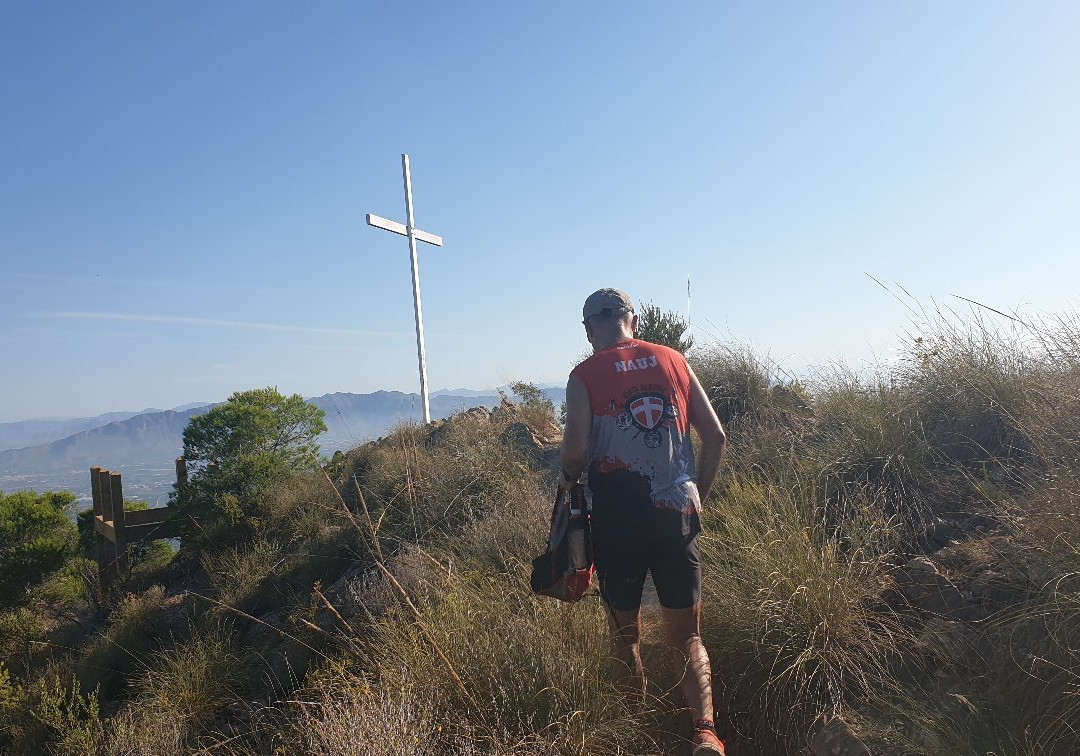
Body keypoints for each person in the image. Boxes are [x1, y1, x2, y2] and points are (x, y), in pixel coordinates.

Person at [560, 288, 728, 756]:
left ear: (590, 327)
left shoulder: (584, 375)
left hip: (617, 522)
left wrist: (566, 479)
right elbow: (715, 436)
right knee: (688, 635)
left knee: (624, 633)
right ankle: (706, 732)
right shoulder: (674, 360)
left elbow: (574, 452)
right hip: (677, 515)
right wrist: (699, 499)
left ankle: (636, 732)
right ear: (632, 320)